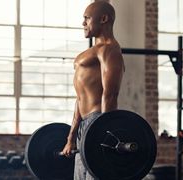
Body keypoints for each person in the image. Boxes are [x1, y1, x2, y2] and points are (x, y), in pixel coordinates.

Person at [61, 1, 124, 179]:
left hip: (98, 122)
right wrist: (71, 138)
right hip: (85, 124)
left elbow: (110, 94)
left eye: (87, 18)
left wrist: (105, 135)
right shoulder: (94, 50)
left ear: (103, 19)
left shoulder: (110, 50)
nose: (83, 23)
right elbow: (80, 98)